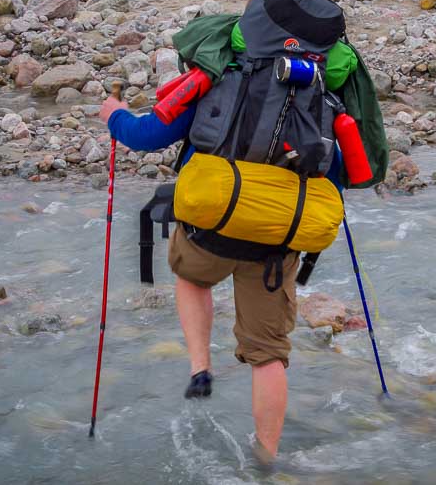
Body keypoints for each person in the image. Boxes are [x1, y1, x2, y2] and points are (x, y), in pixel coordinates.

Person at [98, 98, 343, 462]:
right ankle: (266, 459)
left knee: (193, 279)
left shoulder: (218, 76)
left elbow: (147, 135)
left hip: (211, 224)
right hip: (277, 237)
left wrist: (113, 114)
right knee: (268, 353)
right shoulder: (322, 89)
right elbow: (346, 172)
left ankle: (200, 368)